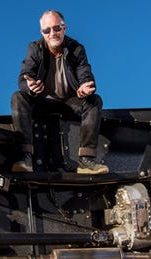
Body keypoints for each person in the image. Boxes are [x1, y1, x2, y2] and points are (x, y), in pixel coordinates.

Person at [10, 10, 108, 174]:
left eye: (56, 28)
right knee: (17, 97)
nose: (52, 33)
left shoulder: (76, 49)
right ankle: (25, 157)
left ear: (64, 28)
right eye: (47, 30)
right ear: (42, 32)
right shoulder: (34, 48)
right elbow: (23, 79)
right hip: (42, 102)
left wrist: (85, 87)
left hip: (69, 103)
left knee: (94, 101)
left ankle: (86, 160)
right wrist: (31, 88)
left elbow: (85, 74)